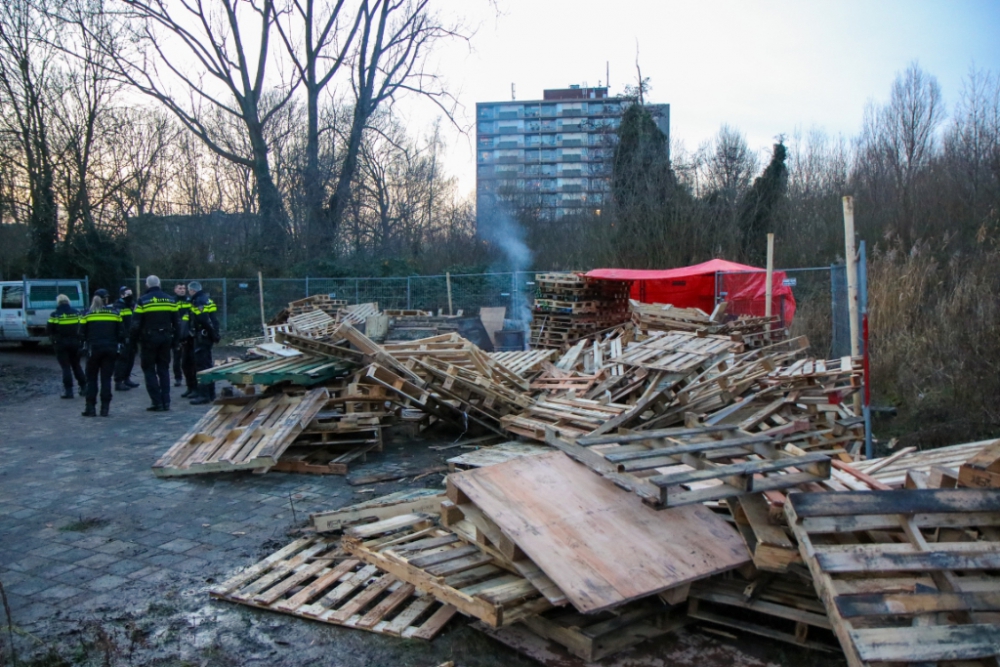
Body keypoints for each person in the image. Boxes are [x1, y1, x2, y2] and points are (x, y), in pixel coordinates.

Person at [131, 275, 180, 411]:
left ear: (147, 285)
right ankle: (166, 401)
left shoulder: (142, 301)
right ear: (160, 284)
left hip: (148, 340)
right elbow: (177, 323)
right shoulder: (170, 300)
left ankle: (156, 402)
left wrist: (133, 342)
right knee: (164, 369)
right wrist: (176, 341)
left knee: (149, 370)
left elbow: (135, 324)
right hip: (166, 338)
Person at [80, 289, 124, 417]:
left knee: (92, 379)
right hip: (110, 349)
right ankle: (105, 408)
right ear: (106, 299)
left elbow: (81, 333)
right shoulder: (115, 313)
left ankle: (90, 408)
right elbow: (121, 332)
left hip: (94, 349)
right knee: (106, 379)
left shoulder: (87, 314)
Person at [187, 281, 220, 405]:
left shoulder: (198, 301)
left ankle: (204, 395)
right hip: (208, 336)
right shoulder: (207, 299)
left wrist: (212, 334)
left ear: (192, 291)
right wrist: (215, 334)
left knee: (201, 366)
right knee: (208, 364)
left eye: (189, 291)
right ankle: (211, 393)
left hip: (202, 336)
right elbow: (214, 319)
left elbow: (203, 319)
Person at [47, 294, 86, 399]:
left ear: (58, 302)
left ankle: (69, 391)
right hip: (75, 343)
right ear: (68, 302)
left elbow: (49, 330)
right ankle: (84, 387)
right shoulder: (77, 313)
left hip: (61, 344)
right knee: (76, 365)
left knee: (66, 367)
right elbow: (82, 326)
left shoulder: (55, 315)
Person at [113, 286, 140, 392]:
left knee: (131, 359)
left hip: (133, 336)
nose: (129, 295)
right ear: (121, 295)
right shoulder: (118, 306)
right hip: (123, 337)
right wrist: (122, 336)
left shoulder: (132, 305)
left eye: (130, 293)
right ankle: (118, 381)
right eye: (127, 293)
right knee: (122, 360)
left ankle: (127, 378)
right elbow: (118, 323)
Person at [172, 283, 196, 394]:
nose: (182, 290)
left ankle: (190, 382)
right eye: (180, 288)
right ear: (175, 290)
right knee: (176, 356)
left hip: (187, 332)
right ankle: (178, 378)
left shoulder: (189, 300)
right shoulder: (172, 301)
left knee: (188, 358)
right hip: (176, 332)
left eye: (184, 288)